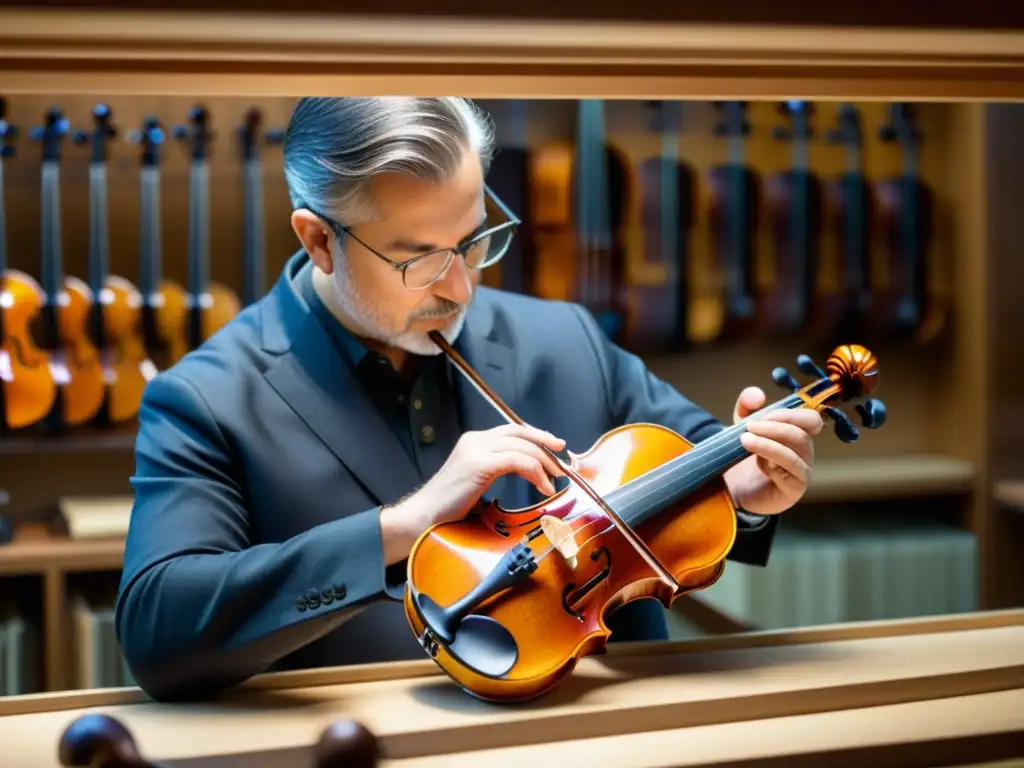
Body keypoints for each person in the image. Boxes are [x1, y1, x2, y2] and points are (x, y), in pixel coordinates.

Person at [115, 97, 823, 703]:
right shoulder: (203, 398)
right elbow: (159, 634)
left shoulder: (567, 337)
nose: (459, 288)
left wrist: (749, 488)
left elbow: (703, 468)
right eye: (419, 258)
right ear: (319, 240)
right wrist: (403, 525)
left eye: (474, 239)